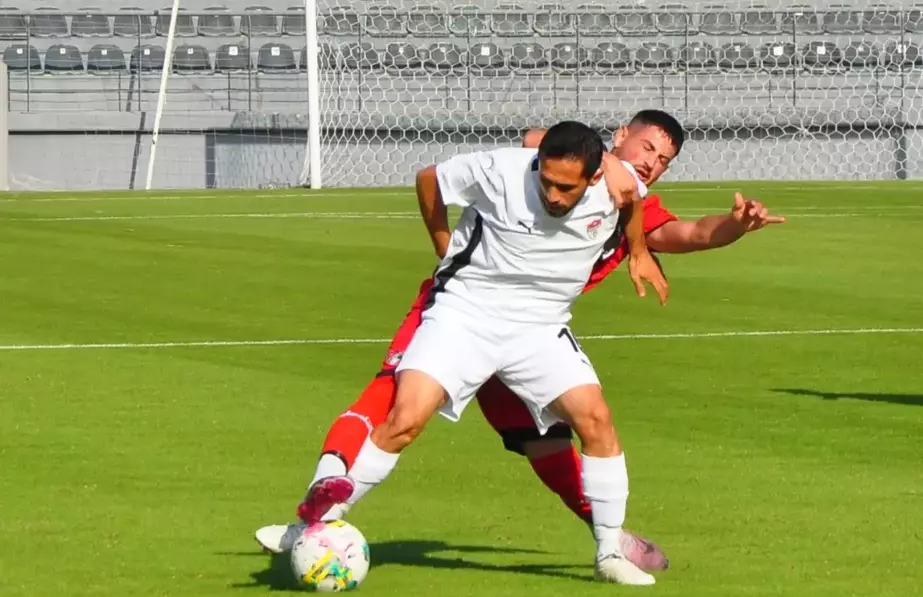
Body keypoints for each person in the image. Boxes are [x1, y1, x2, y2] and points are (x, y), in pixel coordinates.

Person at [257, 110, 784, 573]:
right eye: (646, 147)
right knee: (393, 403)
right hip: (461, 310)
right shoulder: (558, 159)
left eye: (664, 159)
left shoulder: (631, 207)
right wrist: (446, 247)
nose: (652, 162)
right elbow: (534, 139)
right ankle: (309, 514)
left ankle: (608, 539)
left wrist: (735, 226)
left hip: (533, 332)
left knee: (550, 443)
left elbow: (692, 234)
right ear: (619, 136)